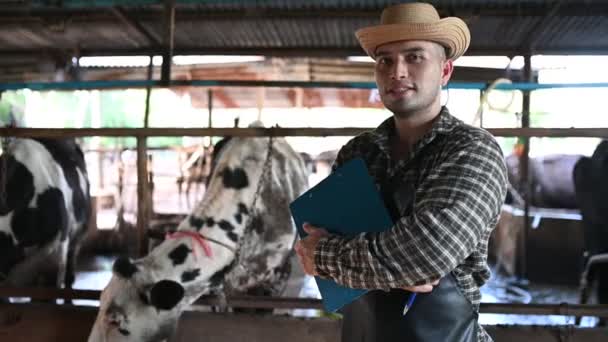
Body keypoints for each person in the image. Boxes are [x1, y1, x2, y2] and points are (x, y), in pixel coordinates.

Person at [294, 3, 508, 342]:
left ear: (445, 70)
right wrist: (394, 267)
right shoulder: (357, 153)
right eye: (385, 60)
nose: (397, 71)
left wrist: (325, 255)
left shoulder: (471, 150)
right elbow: (311, 243)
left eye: (415, 57)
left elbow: (427, 254)